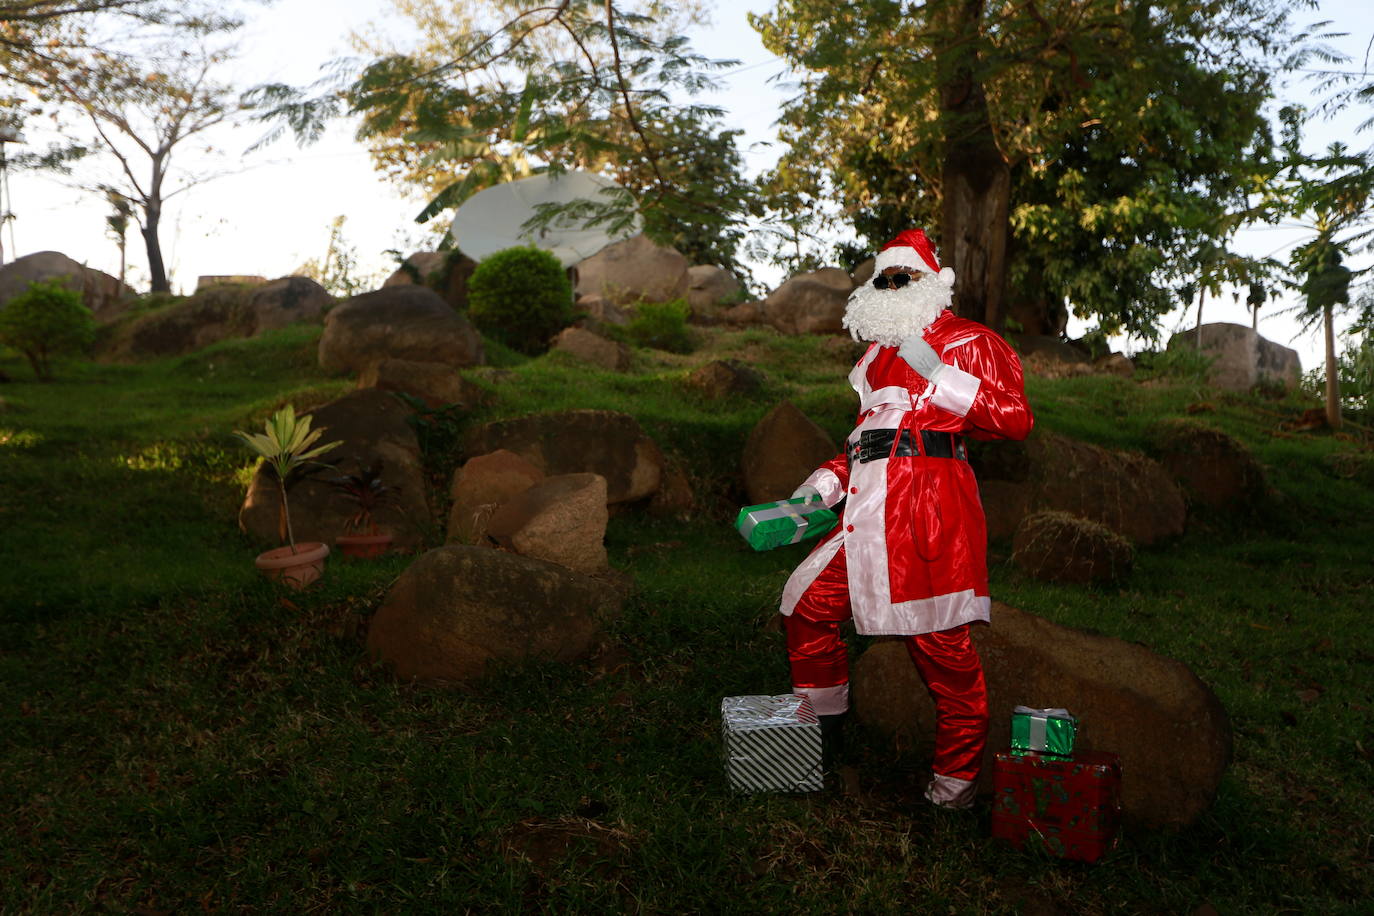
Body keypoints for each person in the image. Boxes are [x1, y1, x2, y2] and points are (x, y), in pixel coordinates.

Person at [781, 228, 1034, 809]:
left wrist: (942, 377)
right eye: (884, 279)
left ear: (932, 282)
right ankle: (823, 744)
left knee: (945, 655)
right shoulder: (874, 358)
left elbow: (1016, 419)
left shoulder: (969, 340)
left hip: (927, 518)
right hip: (867, 516)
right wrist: (818, 490)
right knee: (806, 607)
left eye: (904, 277)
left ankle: (953, 791)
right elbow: (862, 445)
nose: (892, 287)